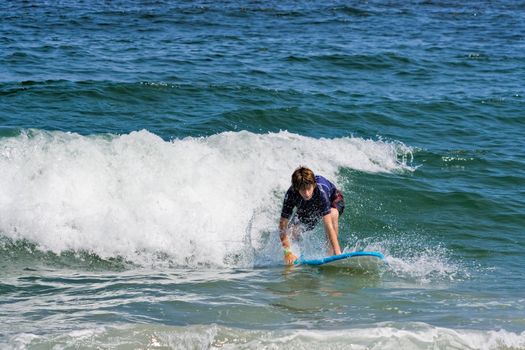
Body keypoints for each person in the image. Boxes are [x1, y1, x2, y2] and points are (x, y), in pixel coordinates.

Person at [279, 166, 345, 265]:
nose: (306, 193)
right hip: (308, 206)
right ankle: (294, 256)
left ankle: (332, 255)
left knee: (332, 214)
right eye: (302, 190)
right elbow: (282, 225)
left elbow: (328, 226)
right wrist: (287, 252)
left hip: (333, 200)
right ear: (297, 188)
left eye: (308, 188)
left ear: (313, 185)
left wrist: (339, 254)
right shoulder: (291, 194)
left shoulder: (321, 191)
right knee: (292, 232)